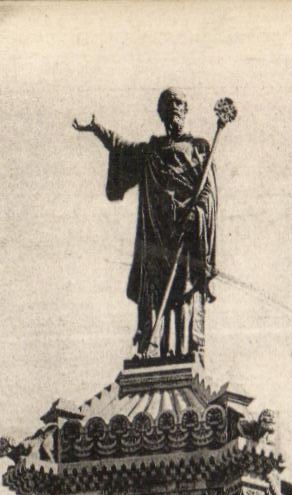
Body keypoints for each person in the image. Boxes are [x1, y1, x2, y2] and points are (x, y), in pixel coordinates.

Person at [73, 89, 217, 359]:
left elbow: (208, 191)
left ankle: (185, 350)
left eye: (179, 104)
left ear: (186, 111)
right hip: (155, 235)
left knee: (184, 292)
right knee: (153, 292)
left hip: (184, 233)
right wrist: (96, 129)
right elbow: (121, 148)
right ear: (162, 114)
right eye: (168, 105)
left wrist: (196, 212)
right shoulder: (151, 151)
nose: (174, 108)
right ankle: (151, 350)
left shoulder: (199, 149)